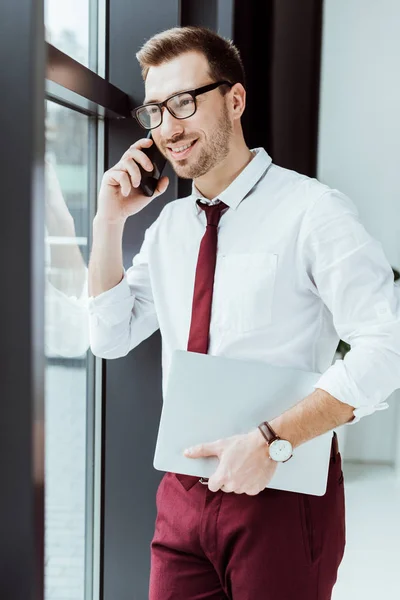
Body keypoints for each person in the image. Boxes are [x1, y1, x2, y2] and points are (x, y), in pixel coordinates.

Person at [87, 25, 400, 600]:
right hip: (183, 492)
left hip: (281, 488)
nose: (169, 128)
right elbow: (109, 336)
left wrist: (271, 441)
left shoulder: (314, 212)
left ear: (234, 100)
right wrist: (109, 222)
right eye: (156, 111)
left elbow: (387, 346)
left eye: (184, 102)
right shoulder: (169, 230)